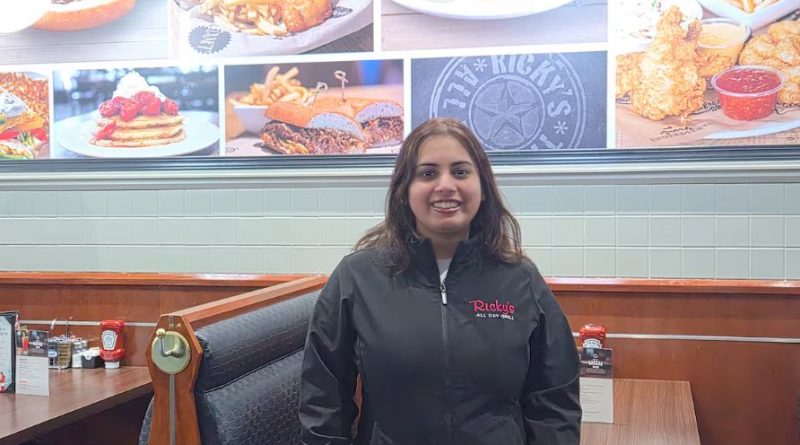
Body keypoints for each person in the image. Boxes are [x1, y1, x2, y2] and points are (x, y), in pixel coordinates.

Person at [299, 117, 581, 445]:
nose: (445, 185)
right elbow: (323, 399)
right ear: (404, 190)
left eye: (461, 172)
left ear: (483, 188)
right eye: (428, 173)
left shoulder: (521, 279)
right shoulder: (357, 277)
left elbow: (555, 400)